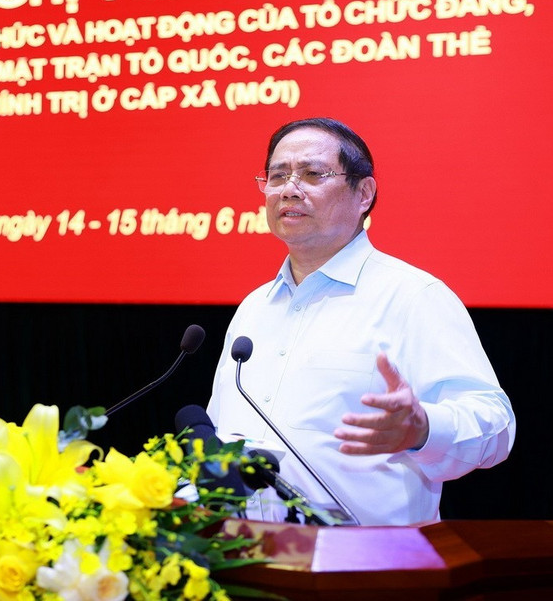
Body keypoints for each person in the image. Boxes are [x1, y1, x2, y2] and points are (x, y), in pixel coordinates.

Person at [206, 117, 515, 526]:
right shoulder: (254, 307)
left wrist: (424, 429)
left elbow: (495, 425)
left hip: (369, 557)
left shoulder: (412, 296)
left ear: (364, 193)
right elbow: (220, 435)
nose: (289, 189)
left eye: (312, 174)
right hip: (245, 550)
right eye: (277, 176)